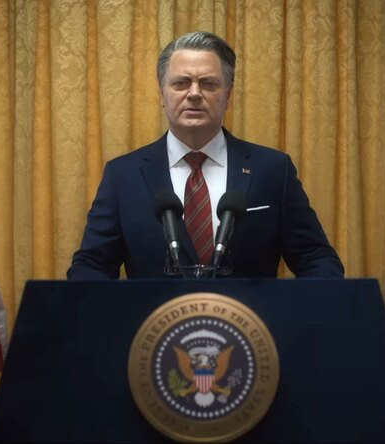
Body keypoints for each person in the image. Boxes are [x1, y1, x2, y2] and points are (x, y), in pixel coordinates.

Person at [67, 31, 343, 280]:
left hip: (249, 320)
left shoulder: (272, 169)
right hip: (155, 321)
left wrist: (298, 312)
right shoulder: (123, 175)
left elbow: (316, 258)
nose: (194, 94)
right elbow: (91, 265)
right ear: (162, 94)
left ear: (228, 95)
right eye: (181, 83)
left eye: (209, 84)